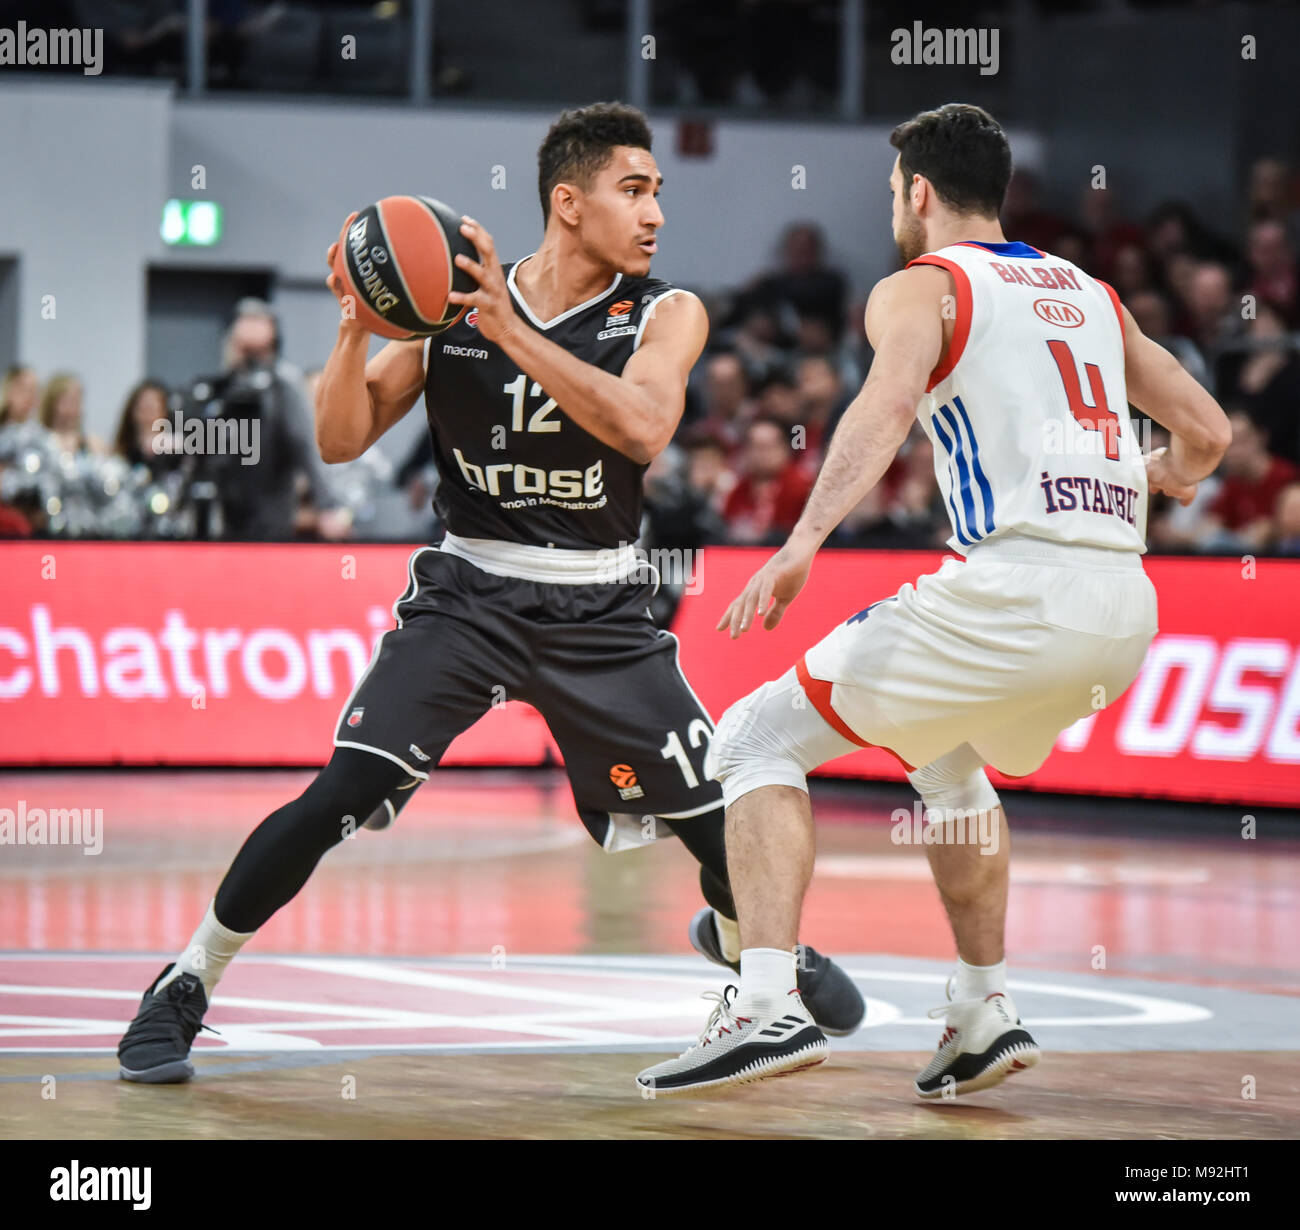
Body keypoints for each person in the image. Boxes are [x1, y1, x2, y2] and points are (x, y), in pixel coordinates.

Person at [116, 101, 862, 1084]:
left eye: (657, 193)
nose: (654, 215)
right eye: (633, 191)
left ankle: (757, 947)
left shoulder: (665, 311)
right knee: (344, 789)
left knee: (717, 827)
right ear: (568, 202)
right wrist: (352, 331)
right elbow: (341, 440)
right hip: (467, 593)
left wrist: (511, 334)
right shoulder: (452, 306)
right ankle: (185, 981)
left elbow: (641, 429)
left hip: (598, 608)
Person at [636, 103, 1231, 1099]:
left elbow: (882, 409)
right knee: (946, 764)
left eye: (891, 193)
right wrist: (1153, 470)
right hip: (1123, 608)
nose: (892, 212)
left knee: (752, 741)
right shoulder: (1090, 292)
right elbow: (1208, 435)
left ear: (917, 190)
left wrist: (799, 544)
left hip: (1011, 591)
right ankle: (980, 1010)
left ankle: (768, 1005)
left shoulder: (922, 286)